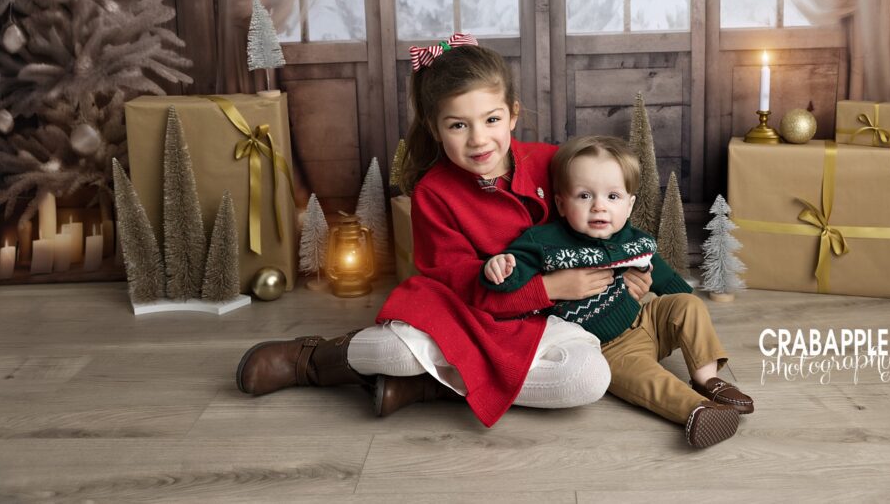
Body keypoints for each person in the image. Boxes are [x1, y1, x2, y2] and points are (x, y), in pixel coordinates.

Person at [236, 35, 653, 427]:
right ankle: (313, 360)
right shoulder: (434, 193)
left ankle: (429, 386)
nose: (479, 140)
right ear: (436, 129)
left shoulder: (552, 162)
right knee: (391, 350)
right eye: (458, 126)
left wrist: (633, 273)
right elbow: (460, 282)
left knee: (586, 379)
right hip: (469, 309)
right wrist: (550, 287)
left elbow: (608, 220)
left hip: (546, 321)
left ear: (513, 114)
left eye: (491, 119)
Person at [482, 135, 754, 447]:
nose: (599, 206)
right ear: (560, 202)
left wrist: (689, 314)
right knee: (648, 379)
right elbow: (514, 273)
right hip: (611, 347)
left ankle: (708, 379)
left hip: (647, 319)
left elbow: (664, 276)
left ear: (629, 204)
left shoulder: (634, 240)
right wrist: (500, 268)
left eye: (612, 197)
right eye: (584, 196)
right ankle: (696, 409)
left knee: (686, 306)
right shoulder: (546, 242)